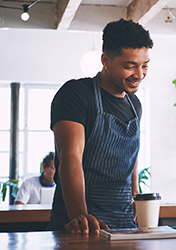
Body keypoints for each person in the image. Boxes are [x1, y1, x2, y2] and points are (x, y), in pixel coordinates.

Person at [48, 19, 153, 234]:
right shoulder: (76, 94)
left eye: (145, 65)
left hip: (124, 221)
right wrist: (79, 216)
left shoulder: (135, 105)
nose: (139, 74)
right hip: (81, 222)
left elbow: (131, 157)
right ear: (106, 60)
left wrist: (135, 195)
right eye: (130, 65)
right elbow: (71, 157)